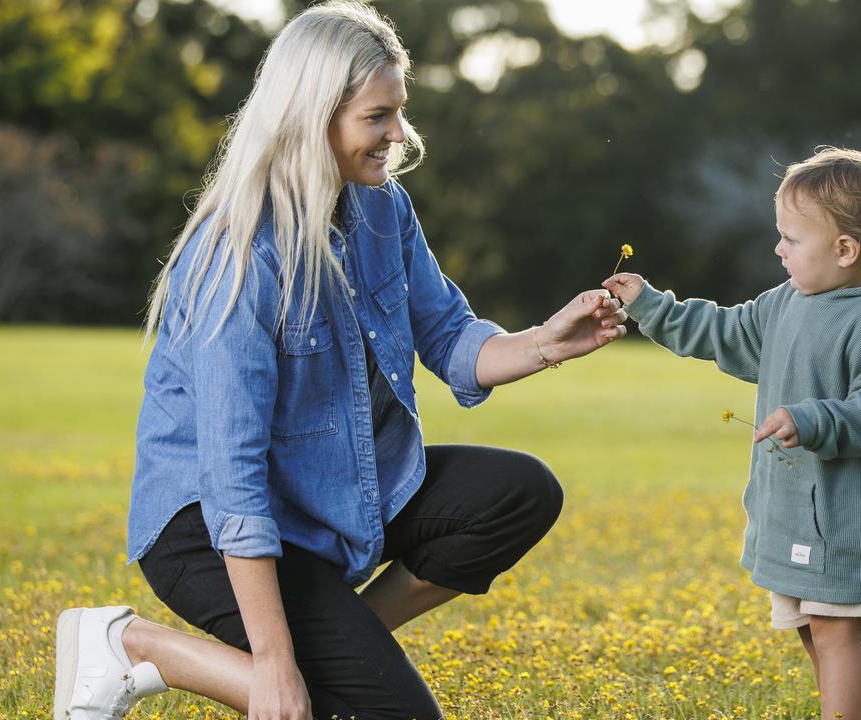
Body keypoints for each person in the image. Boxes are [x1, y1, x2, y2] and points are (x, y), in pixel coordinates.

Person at [52, 3, 627, 719]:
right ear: (313, 114)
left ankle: (338, 651)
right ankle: (131, 644)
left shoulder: (382, 209)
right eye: (377, 117)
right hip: (209, 527)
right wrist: (273, 664)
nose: (399, 135)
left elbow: (448, 336)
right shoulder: (241, 257)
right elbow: (232, 476)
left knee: (520, 492)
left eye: (399, 112)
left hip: (331, 495)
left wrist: (544, 342)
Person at [604, 147, 861, 720]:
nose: (779, 249)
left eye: (792, 239)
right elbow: (722, 330)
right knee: (811, 627)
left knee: (834, 629)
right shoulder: (785, 303)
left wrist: (813, 418)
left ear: (845, 249)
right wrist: (649, 305)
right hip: (793, 509)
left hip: (843, 515)